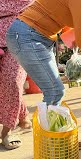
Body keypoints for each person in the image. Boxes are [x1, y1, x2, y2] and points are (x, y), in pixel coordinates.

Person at [5, 0, 81, 149]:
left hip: (40, 37)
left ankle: (61, 138)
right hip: (27, 36)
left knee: (55, 92)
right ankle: (55, 143)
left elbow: (62, 17)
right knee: (55, 91)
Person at [0, 0, 33, 150]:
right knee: (5, 84)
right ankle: (23, 117)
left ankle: (7, 130)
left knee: (12, 81)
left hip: (20, 39)